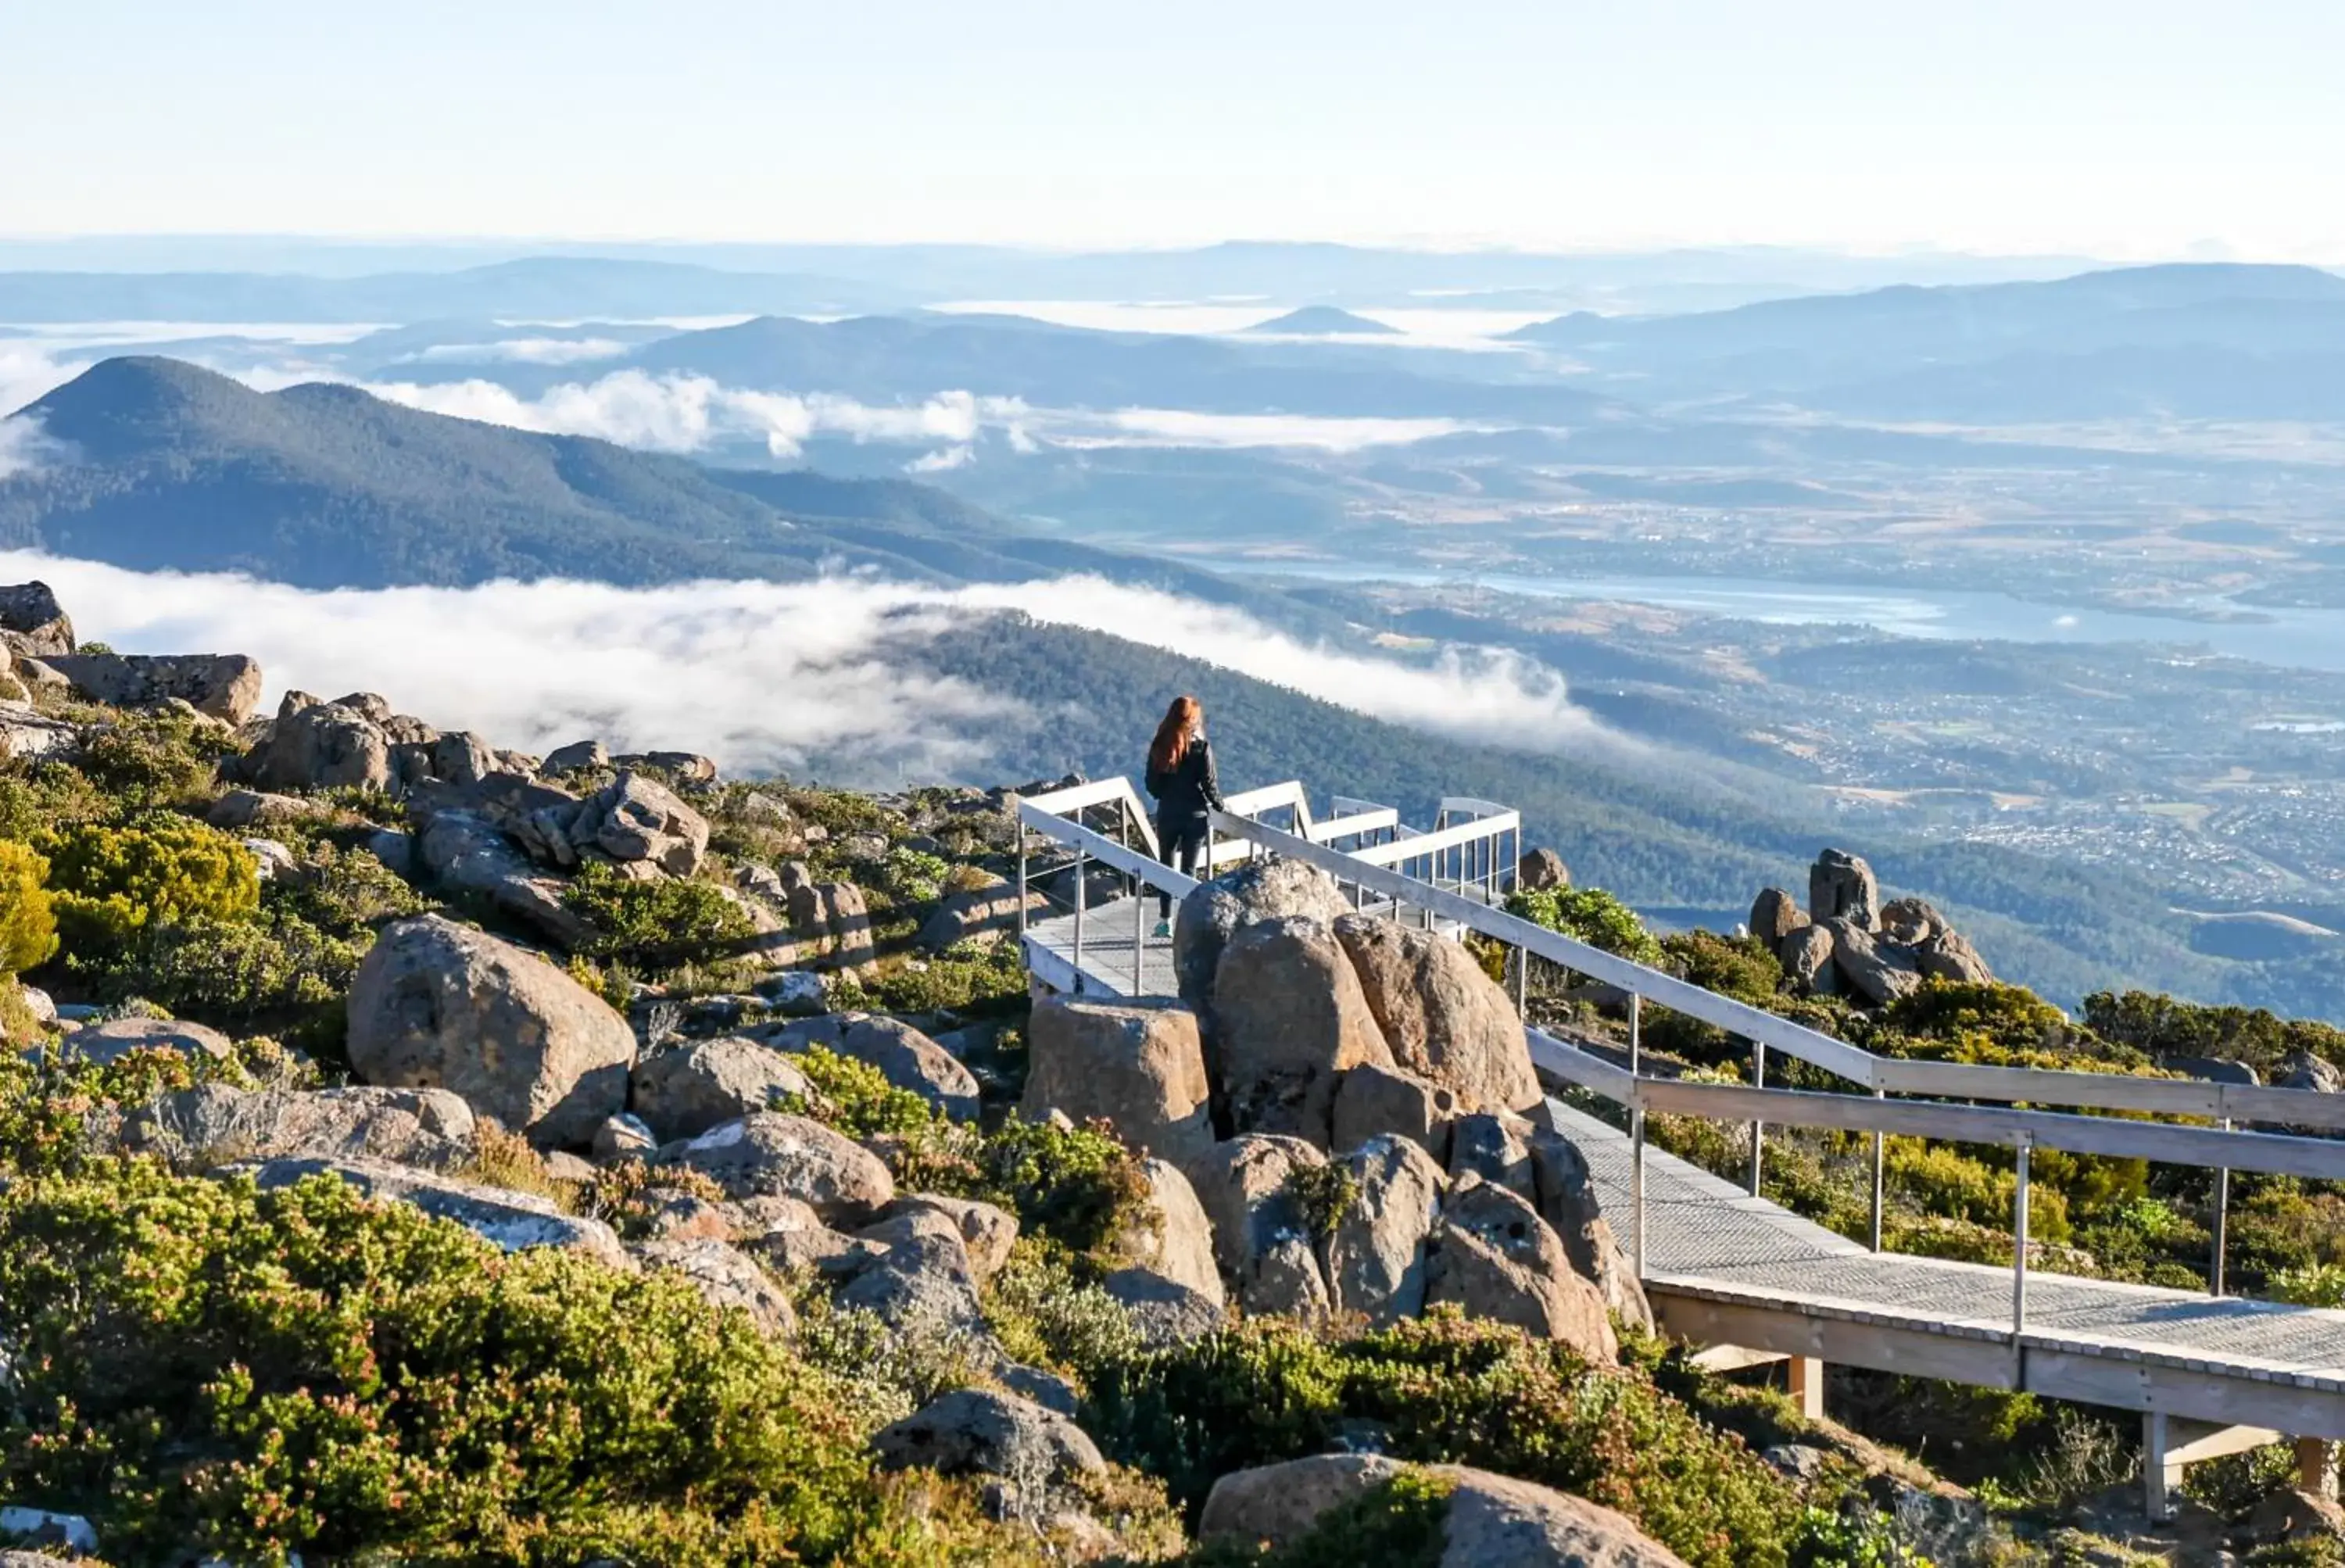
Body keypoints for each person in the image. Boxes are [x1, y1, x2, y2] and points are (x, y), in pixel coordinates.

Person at [1144, 693, 1223, 936]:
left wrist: (1167, 790)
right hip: (1195, 815)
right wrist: (1220, 805)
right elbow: (1210, 785)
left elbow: (1152, 787)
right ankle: (1184, 925)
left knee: (1165, 868)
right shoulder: (1202, 748)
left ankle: (1164, 921)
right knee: (1188, 871)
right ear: (1194, 720)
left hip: (1168, 813)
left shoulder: (1160, 746)